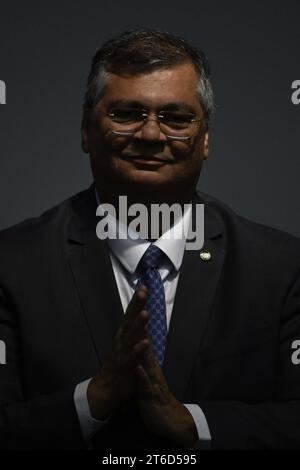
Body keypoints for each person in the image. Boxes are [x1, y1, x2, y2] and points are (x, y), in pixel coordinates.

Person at [0, 28, 300, 451]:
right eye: (127, 114)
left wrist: (191, 424)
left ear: (206, 139)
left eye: (176, 119)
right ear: (86, 131)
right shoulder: (11, 265)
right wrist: (94, 398)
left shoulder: (283, 269)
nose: (151, 135)